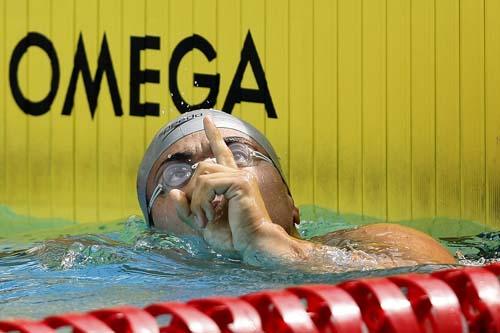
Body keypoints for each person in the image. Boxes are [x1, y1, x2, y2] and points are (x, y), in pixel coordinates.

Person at [137, 109, 455, 271]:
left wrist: (278, 249)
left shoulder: (373, 244)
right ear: (153, 236)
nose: (216, 174)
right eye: (176, 173)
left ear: (292, 203)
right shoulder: (109, 267)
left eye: (239, 155)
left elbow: (450, 293)